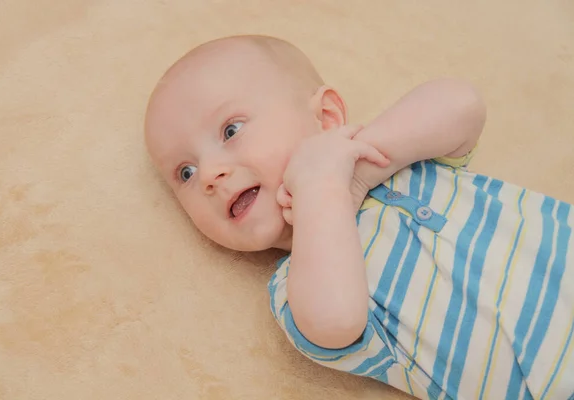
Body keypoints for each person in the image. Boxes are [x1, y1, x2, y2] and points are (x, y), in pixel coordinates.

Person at [144, 35, 574, 399]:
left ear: (326, 118)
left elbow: (461, 103)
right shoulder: (296, 289)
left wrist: (355, 173)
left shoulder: (398, 156)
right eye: (185, 172)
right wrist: (320, 190)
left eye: (231, 130)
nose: (209, 176)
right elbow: (336, 321)